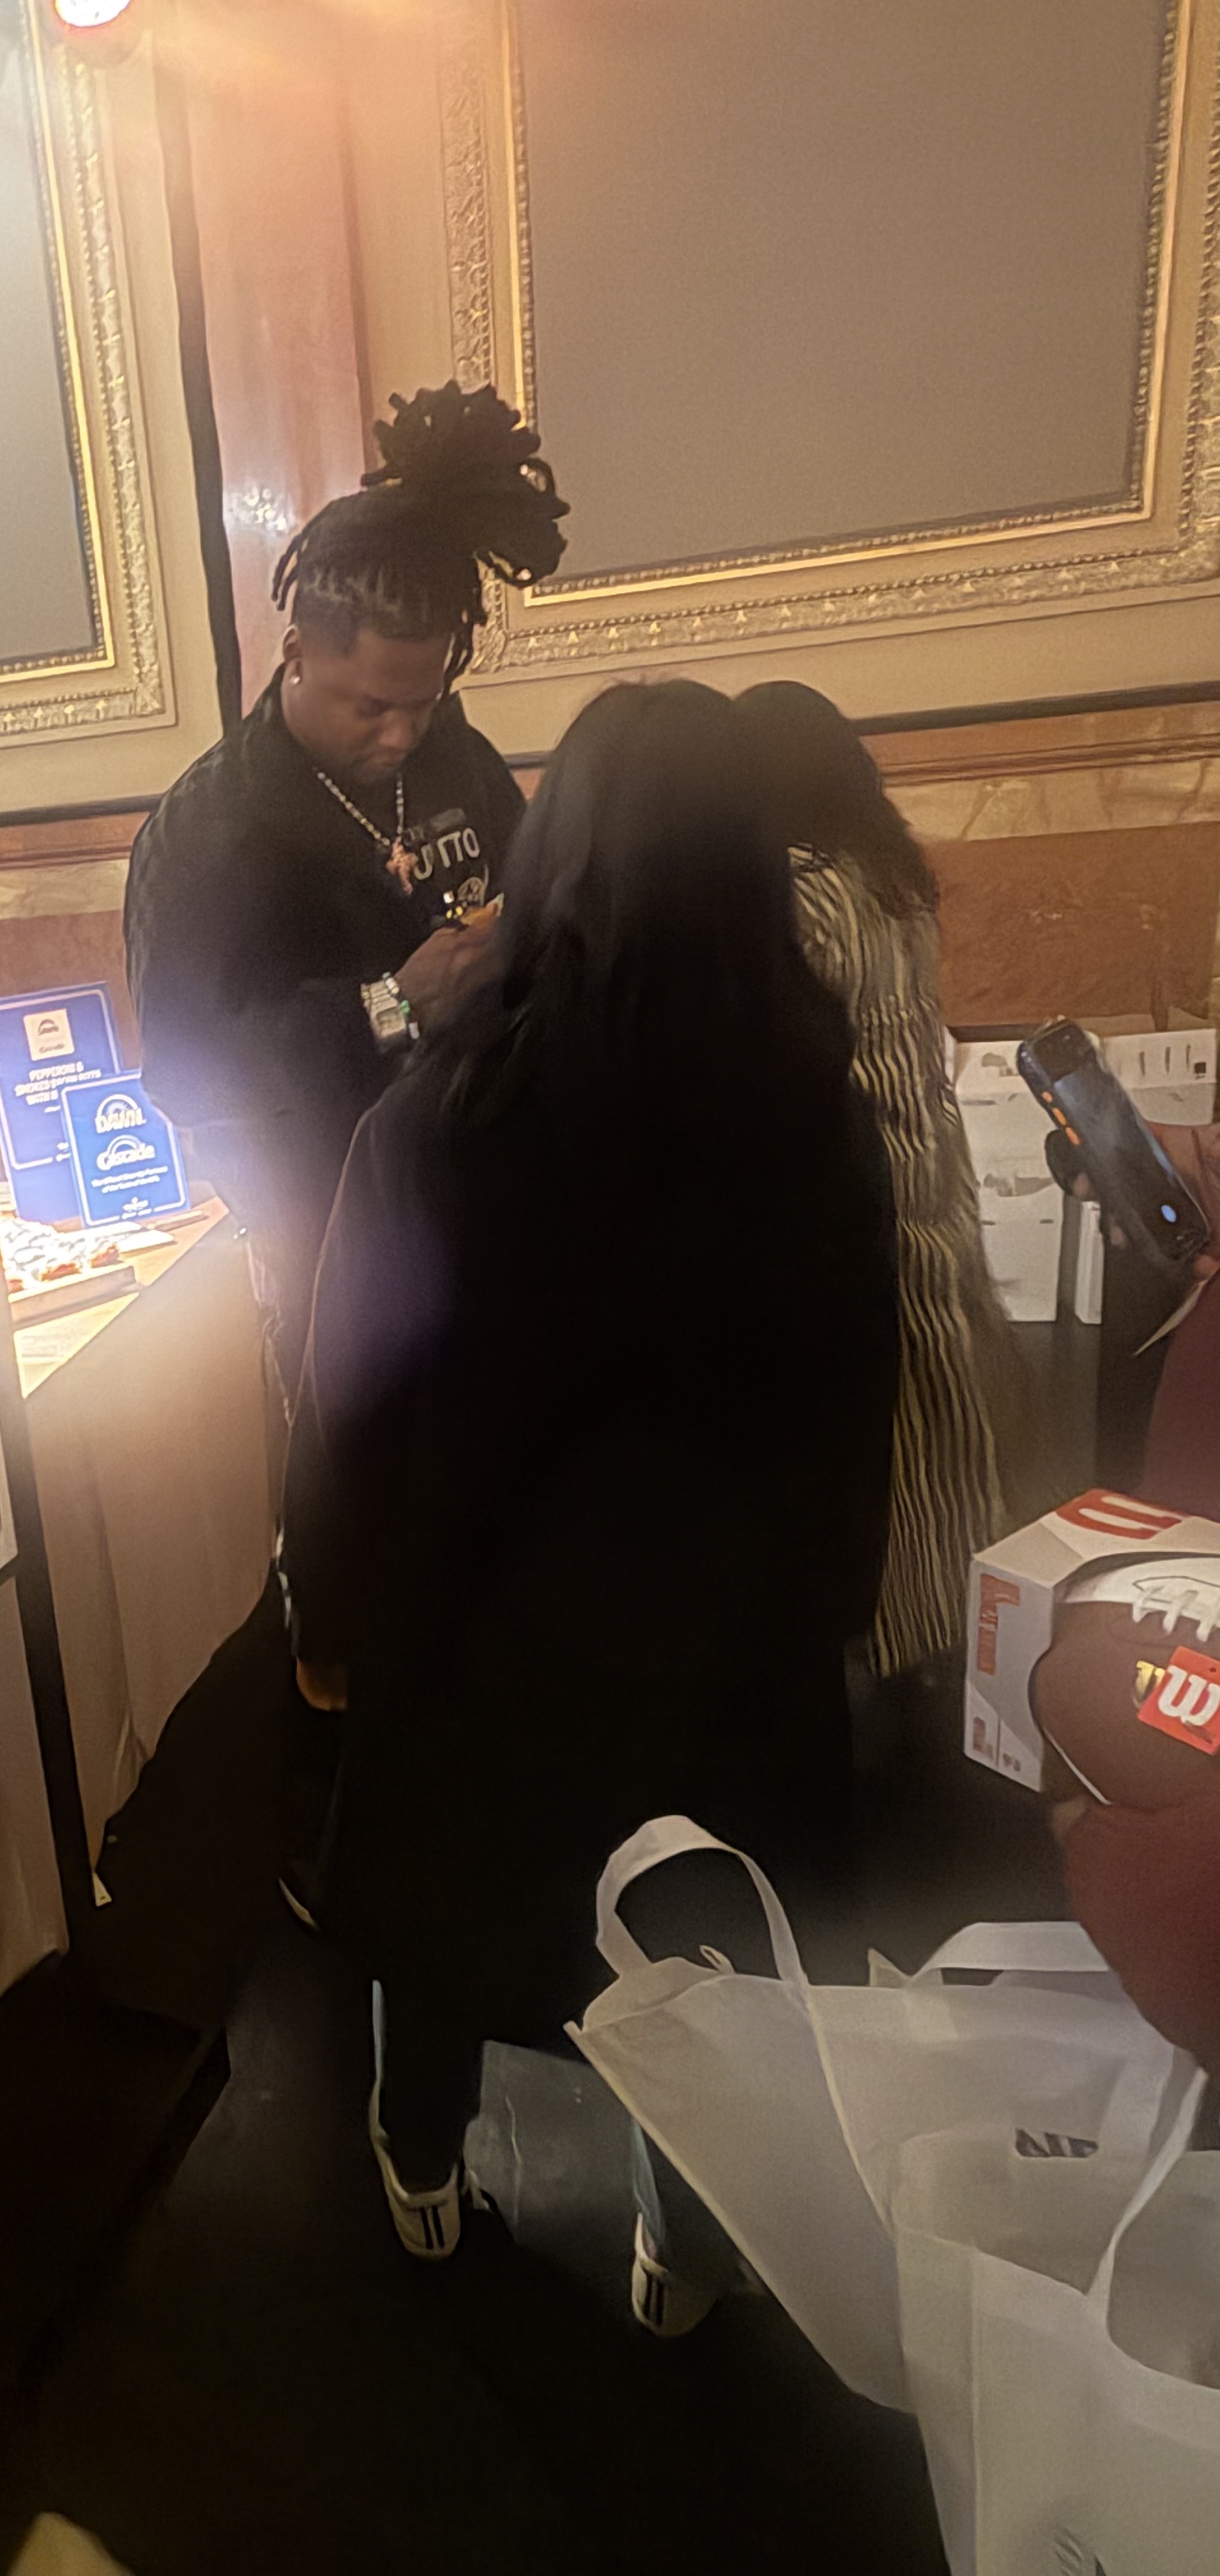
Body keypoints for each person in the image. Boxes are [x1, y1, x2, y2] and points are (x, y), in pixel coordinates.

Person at [282, 682, 897, 2290]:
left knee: (441, 1918)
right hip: (730, 1650)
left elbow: (352, 1404)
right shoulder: (818, 1124)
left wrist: (329, 1610)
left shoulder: (436, 1121)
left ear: (553, 859)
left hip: (483, 1635)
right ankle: (683, 2251)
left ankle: (422, 2161)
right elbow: (857, 1395)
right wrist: (837, 1602)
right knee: (704, 1957)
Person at [125, 383, 567, 1397]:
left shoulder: (453, 756)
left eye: (426, 701)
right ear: (296, 654)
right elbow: (187, 1076)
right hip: (340, 1258)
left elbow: (534, 884)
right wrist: (392, 1004)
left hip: (492, 1204)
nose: (402, 734)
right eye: (371, 707)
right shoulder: (208, 833)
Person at [735, 680, 1007, 1676]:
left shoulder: (797, 893)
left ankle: (890, 1655)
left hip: (858, 1195)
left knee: (879, 1443)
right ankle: (957, 1641)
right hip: (933, 1170)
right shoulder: (892, 876)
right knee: (944, 1424)